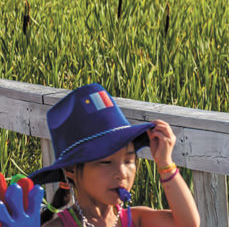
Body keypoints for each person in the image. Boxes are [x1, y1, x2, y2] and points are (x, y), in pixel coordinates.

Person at [30, 84, 199, 227]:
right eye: (106, 162)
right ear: (70, 170)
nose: (122, 172)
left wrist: (165, 164)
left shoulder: (133, 220)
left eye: (128, 160)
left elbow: (187, 224)